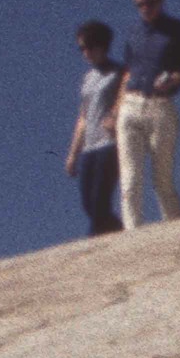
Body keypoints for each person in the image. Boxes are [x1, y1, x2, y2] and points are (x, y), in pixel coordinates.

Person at [116, 0, 180, 226]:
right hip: (131, 105)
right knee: (130, 180)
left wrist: (178, 77)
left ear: (161, 0)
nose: (145, 9)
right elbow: (127, 72)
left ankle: (177, 231)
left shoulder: (179, 30)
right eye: (140, 4)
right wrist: (115, 110)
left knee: (162, 180)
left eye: (150, 3)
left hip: (161, 106)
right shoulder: (133, 31)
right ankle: (132, 238)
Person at [62, 21, 124, 235]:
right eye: (81, 48)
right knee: (89, 203)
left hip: (110, 144)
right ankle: (120, 231)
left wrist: (115, 115)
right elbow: (83, 116)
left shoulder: (119, 73)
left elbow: (127, 99)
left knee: (100, 201)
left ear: (102, 46)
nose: (85, 52)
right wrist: (73, 153)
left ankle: (96, 243)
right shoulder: (87, 79)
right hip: (89, 146)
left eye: (89, 47)